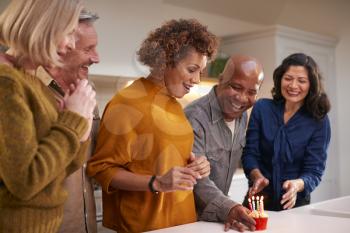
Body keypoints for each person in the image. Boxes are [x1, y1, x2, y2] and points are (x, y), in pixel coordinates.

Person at [87, 19, 219, 233]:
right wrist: (156, 183)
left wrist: (197, 165)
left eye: (201, 72)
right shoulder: (127, 103)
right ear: (165, 60)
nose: (196, 80)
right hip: (146, 226)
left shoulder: (174, 104)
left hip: (182, 221)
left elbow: (167, 160)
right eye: (192, 69)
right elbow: (101, 169)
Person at [0, 0, 97, 232]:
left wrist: (81, 126)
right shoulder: (7, 82)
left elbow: (60, 170)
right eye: (69, 33)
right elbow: (25, 181)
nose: (71, 43)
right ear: (45, 26)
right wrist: (72, 121)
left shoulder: (30, 81)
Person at [242, 53, 331, 211]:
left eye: (301, 81)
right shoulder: (262, 108)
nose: (293, 85)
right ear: (280, 79)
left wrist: (297, 185)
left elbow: (314, 171)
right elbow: (250, 153)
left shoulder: (318, 121)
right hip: (258, 200)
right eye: (288, 78)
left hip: (294, 204)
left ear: (311, 84)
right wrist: (257, 176)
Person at [185, 55, 264, 232]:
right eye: (236, 87)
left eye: (251, 92)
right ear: (221, 80)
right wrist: (230, 208)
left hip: (217, 221)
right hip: (190, 222)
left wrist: (256, 174)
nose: (242, 98)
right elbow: (197, 179)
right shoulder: (195, 117)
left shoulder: (241, 114)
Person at [39, 9, 100, 233]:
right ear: (60, 48)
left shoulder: (88, 91)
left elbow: (94, 161)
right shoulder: (30, 92)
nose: (97, 58)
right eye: (88, 49)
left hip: (86, 224)